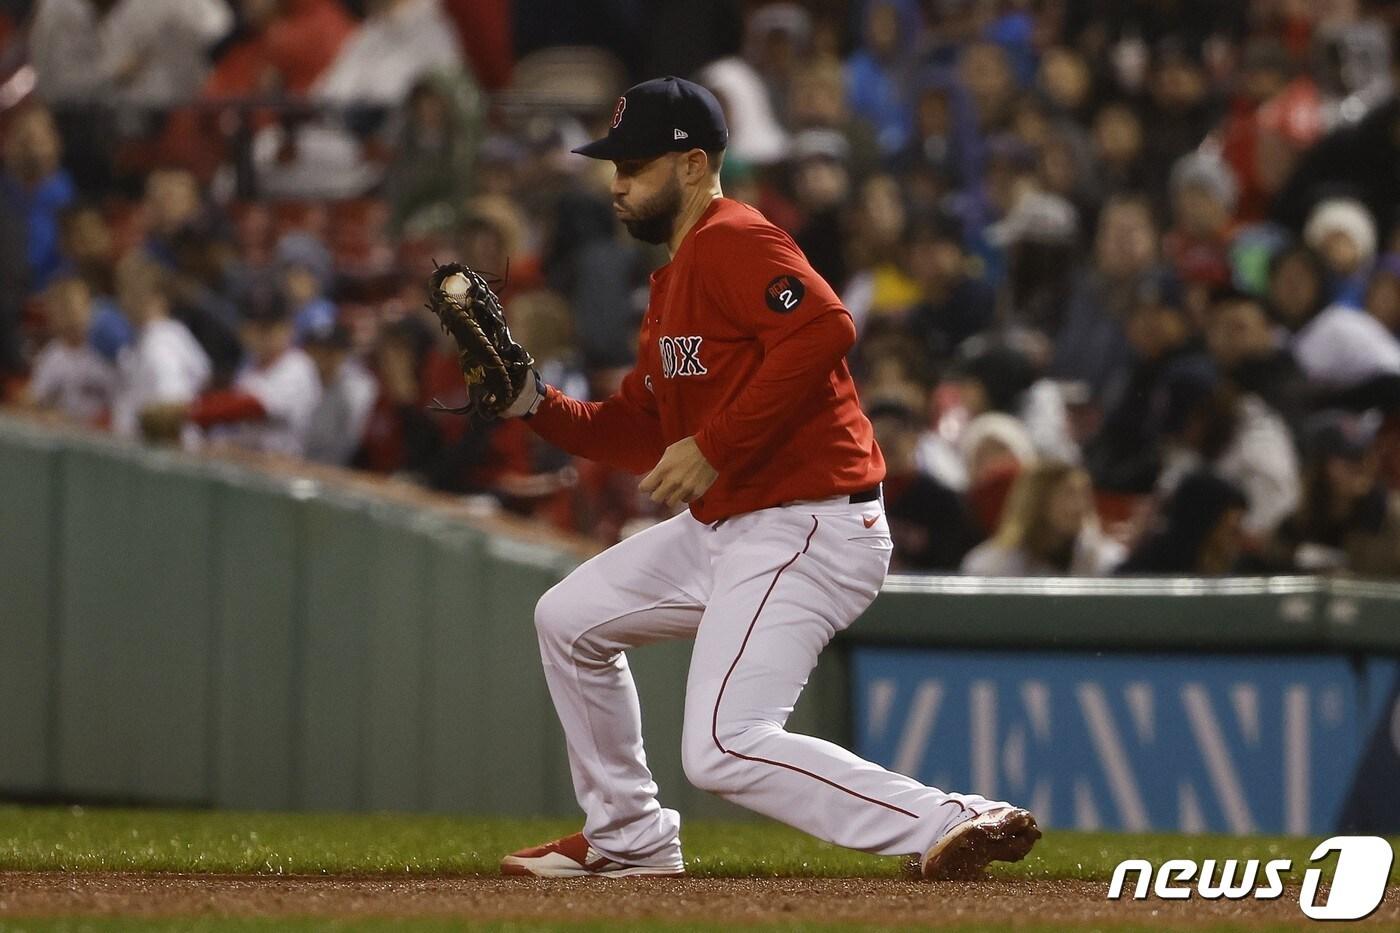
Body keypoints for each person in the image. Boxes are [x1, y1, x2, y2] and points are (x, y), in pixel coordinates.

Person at [494, 77, 1039, 880]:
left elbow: (826, 327)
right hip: (732, 524)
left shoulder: (734, 236)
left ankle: (950, 817)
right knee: (569, 619)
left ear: (692, 164)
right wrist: (534, 404)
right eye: (615, 164)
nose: (617, 182)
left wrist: (713, 445)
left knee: (721, 744)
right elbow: (642, 428)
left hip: (811, 523)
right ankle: (628, 834)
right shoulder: (676, 277)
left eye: (636, 164)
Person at [961, 462, 1124, 576]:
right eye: (1068, 494)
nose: (1080, 506)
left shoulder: (1107, 563)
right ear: (1037, 501)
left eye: (1084, 494)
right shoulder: (989, 567)